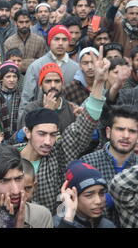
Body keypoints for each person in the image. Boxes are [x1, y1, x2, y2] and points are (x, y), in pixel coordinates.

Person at [19, 47, 108, 212]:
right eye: (41, 134)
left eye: (53, 135)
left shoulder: (58, 153)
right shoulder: (10, 159)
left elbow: (86, 122)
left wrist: (99, 82)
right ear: (27, 132)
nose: (48, 141)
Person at [80, 105, 138, 226]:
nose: (126, 136)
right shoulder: (87, 164)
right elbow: (66, 208)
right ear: (108, 132)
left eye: (132, 131)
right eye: (120, 129)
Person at [20, 25, 80, 112]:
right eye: (56, 39)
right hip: (39, 119)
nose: (60, 43)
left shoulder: (76, 68)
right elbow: (26, 99)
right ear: (49, 41)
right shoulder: (36, 66)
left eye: (64, 39)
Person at [18, 63, 77, 136]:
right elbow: (24, 138)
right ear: (40, 85)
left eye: (57, 81)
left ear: (62, 84)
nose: (53, 85)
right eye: (48, 81)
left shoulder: (72, 109)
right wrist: (46, 113)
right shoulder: (31, 109)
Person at [54, 160, 115, 228]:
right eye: (89, 195)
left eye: (101, 193)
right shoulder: (55, 224)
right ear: (72, 197)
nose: (98, 201)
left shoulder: (107, 225)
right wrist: (68, 218)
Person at [0, 62, 22, 141]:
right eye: (8, 76)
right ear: (1, 78)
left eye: (14, 76)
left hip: (16, 138)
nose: (11, 80)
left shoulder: (21, 96)